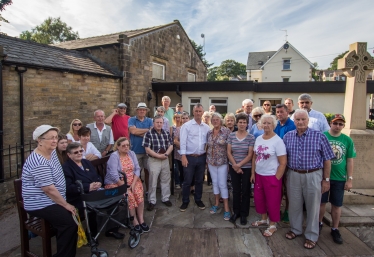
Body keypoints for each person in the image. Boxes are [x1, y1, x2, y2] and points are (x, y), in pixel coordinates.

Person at [22, 125, 77, 257]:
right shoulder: (38, 161)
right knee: (69, 225)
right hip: (40, 202)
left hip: (53, 198)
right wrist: (65, 204)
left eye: (56, 138)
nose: (54, 141)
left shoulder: (51, 153)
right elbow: (48, 189)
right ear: (39, 141)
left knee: (78, 207)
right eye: (50, 138)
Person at [283, 109, 335, 249]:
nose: (300, 122)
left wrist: (326, 180)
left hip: (313, 175)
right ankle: (296, 229)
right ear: (294, 121)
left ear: (308, 120)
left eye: (303, 119)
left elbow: (327, 160)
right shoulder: (288, 136)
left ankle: (312, 235)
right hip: (293, 174)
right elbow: (283, 159)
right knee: (294, 204)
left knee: (313, 206)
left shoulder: (319, 136)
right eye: (297, 120)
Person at [319, 114, 356, 244]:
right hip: (323, 176)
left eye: (341, 124)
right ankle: (319, 224)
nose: (338, 126)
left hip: (339, 178)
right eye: (335, 123)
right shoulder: (322, 136)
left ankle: (335, 228)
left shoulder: (347, 140)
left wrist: (349, 178)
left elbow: (350, 160)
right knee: (321, 203)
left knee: (336, 204)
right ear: (330, 123)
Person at [250, 115, 287, 237]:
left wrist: (277, 178)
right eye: (264, 123)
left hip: (272, 176)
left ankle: (272, 224)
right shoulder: (259, 138)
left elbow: (283, 163)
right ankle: (263, 218)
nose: (266, 125)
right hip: (259, 175)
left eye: (269, 123)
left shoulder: (278, 141)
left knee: (273, 201)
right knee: (259, 198)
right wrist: (253, 173)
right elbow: (255, 156)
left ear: (273, 125)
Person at [105, 137, 150, 234]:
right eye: (123, 146)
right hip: (117, 183)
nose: (126, 147)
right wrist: (124, 186)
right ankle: (134, 221)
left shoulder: (131, 153)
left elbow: (137, 169)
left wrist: (133, 184)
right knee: (130, 197)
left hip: (132, 181)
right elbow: (113, 174)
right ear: (118, 147)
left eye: (127, 145)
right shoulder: (114, 156)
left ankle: (141, 219)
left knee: (138, 193)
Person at [62, 142, 106, 240]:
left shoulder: (86, 162)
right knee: (93, 207)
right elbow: (68, 188)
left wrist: (99, 183)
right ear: (69, 155)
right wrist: (88, 187)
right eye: (76, 152)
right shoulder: (66, 168)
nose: (79, 153)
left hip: (94, 192)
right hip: (78, 197)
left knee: (114, 199)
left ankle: (111, 229)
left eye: (81, 151)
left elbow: (97, 176)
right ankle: (91, 235)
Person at [179, 103, 210, 212]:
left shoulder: (206, 127)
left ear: (202, 112)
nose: (198, 113)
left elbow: (208, 144)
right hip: (189, 157)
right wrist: (183, 156)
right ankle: (185, 201)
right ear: (193, 112)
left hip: (201, 157)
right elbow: (182, 142)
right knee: (187, 181)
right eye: (196, 111)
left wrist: (207, 158)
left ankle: (198, 199)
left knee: (199, 181)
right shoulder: (186, 126)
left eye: (200, 111)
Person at [227, 113, 255, 225]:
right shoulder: (231, 136)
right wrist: (235, 165)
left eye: (244, 122)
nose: (242, 124)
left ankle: (244, 214)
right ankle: (236, 212)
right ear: (236, 123)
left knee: (245, 191)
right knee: (236, 190)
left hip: (246, 168)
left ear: (247, 124)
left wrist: (239, 165)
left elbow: (250, 155)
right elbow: (229, 152)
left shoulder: (251, 137)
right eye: (240, 122)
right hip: (233, 166)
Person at [143, 115, 173, 211]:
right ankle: (152, 201)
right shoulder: (148, 134)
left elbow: (171, 145)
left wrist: (166, 154)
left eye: (161, 122)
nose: (159, 124)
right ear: (153, 123)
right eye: (157, 122)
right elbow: (147, 149)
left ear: (163, 123)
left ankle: (165, 198)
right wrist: (158, 156)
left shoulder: (166, 133)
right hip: (154, 160)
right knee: (153, 181)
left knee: (165, 179)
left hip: (164, 159)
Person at [273, 103, 296, 223]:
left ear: (287, 112)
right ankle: (276, 209)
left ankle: (287, 210)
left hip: (288, 161)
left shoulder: (292, 126)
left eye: (282, 112)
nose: (279, 114)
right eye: (277, 112)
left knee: (288, 188)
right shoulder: (276, 125)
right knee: (278, 187)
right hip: (275, 161)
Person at [206, 112, 231, 220]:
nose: (215, 121)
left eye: (217, 119)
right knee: (215, 183)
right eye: (213, 119)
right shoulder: (209, 133)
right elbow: (207, 147)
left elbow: (231, 149)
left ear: (221, 121)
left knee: (222, 184)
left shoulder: (226, 132)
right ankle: (216, 203)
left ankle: (226, 208)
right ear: (211, 121)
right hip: (211, 162)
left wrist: (230, 162)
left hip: (223, 162)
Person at [128, 102, 153, 194]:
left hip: (147, 151)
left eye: (143, 110)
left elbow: (152, 134)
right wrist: (147, 130)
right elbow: (133, 131)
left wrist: (139, 132)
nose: (142, 111)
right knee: (136, 173)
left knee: (148, 172)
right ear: (137, 111)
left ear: (146, 111)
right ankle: (137, 191)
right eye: (140, 109)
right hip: (135, 151)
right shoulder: (132, 120)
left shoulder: (150, 120)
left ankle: (148, 191)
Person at [172, 113, 183, 189]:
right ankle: (177, 182)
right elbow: (174, 140)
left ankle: (182, 182)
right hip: (175, 151)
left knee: (182, 168)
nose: (177, 119)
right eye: (176, 117)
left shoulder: (183, 127)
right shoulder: (172, 127)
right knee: (175, 168)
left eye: (179, 117)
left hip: (183, 152)